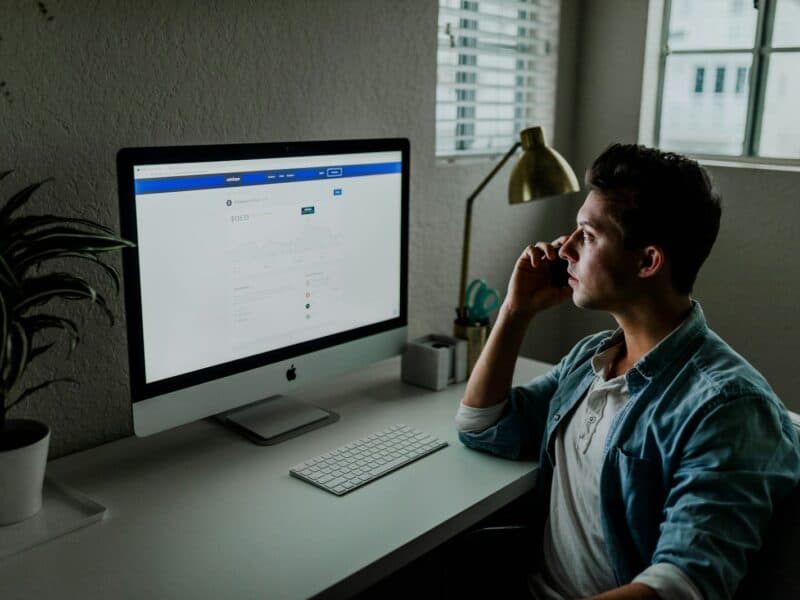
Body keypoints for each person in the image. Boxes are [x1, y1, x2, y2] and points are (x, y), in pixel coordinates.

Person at [455, 143, 800, 600]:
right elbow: (483, 425)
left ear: (647, 261)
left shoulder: (728, 409)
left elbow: (681, 585)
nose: (565, 250)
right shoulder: (593, 359)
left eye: (588, 235)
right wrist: (516, 311)